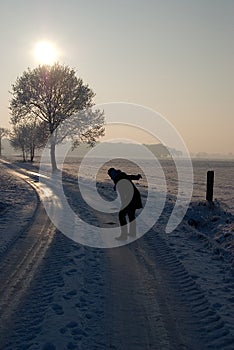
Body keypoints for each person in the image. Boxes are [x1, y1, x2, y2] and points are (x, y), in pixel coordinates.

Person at [107, 167, 142, 240]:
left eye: (110, 176)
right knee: (131, 215)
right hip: (135, 195)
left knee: (121, 215)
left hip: (130, 198)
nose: (110, 178)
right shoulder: (121, 175)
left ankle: (124, 236)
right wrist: (137, 177)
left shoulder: (118, 179)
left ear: (112, 174)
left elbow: (123, 194)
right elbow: (130, 176)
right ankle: (132, 233)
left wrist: (124, 205)